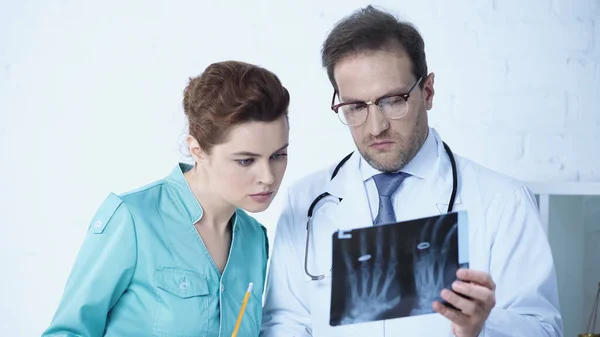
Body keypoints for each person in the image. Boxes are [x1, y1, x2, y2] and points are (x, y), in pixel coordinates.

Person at [260, 5, 563, 337]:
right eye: (356, 107)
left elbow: (544, 329)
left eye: (393, 100)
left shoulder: (503, 203)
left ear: (427, 92)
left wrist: (482, 327)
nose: (376, 127)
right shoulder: (306, 200)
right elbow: (284, 324)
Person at [42, 60, 290, 337]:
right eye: (246, 161)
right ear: (197, 150)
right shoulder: (132, 220)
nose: (268, 177)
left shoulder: (255, 240)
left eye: (278, 155)